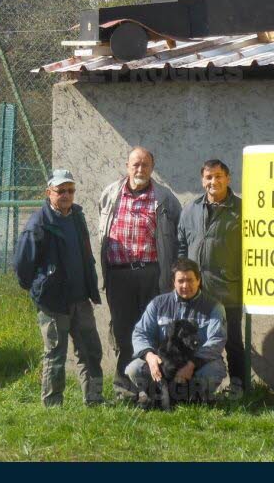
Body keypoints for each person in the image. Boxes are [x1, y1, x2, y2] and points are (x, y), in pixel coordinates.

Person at [13, 169, 104, 407]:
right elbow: (23, 266)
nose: (66, 195)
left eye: (70, 190)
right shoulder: (38, 223)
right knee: (55, 355)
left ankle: (94, 399)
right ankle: (53, 406)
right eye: (60, 190)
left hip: (81, 299)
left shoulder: (77, 216)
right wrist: (40, 290)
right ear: (49, 192)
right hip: (53, 304)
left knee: (91, 352)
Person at [99, 147, 182, 398]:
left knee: (153, 331)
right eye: (135, 164)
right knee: (124, 331)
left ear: (152, 168)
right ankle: (123, 387)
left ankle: (151, 388)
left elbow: (177, 238)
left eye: (145, 165)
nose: (140, 169)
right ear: (127, 166)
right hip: (119, 275)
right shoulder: (110, 194)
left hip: (151, 274)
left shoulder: (165, 198)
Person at [177, 159, 244, 388]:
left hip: (228, 289)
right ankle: (192, 387)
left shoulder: (242, 210)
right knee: (192, 341)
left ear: (228, 179)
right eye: (208, 177)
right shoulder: (191, 209)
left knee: (233, 342)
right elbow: (182, 246)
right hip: (196, 293)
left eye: (218, 176)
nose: (213, 181)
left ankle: (239, 389)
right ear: (202, 180)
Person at [126, 258, 227, 404]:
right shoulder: (158, 304)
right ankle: (158, 395)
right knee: (134, 369)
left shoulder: (214, 307)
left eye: (190, 280)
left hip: (199, 363)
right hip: (166, 364)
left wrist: (191, 365)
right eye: (181, 281)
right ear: (173, 282)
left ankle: (193, 398)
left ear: (199, 280)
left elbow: (216, 341)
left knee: (213, 371)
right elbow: (140, 332)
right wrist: (149, 357)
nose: (186, 285)